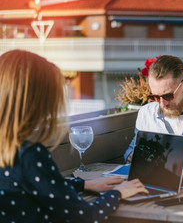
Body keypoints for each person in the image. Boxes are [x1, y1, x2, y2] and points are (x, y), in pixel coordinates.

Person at [0, 50, 148, 222]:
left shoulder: (9, 150)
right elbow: (83, 216)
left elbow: (38, 185)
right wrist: (118, 194)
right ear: (36, 101)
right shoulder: (29, 155)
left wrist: (85, 185)